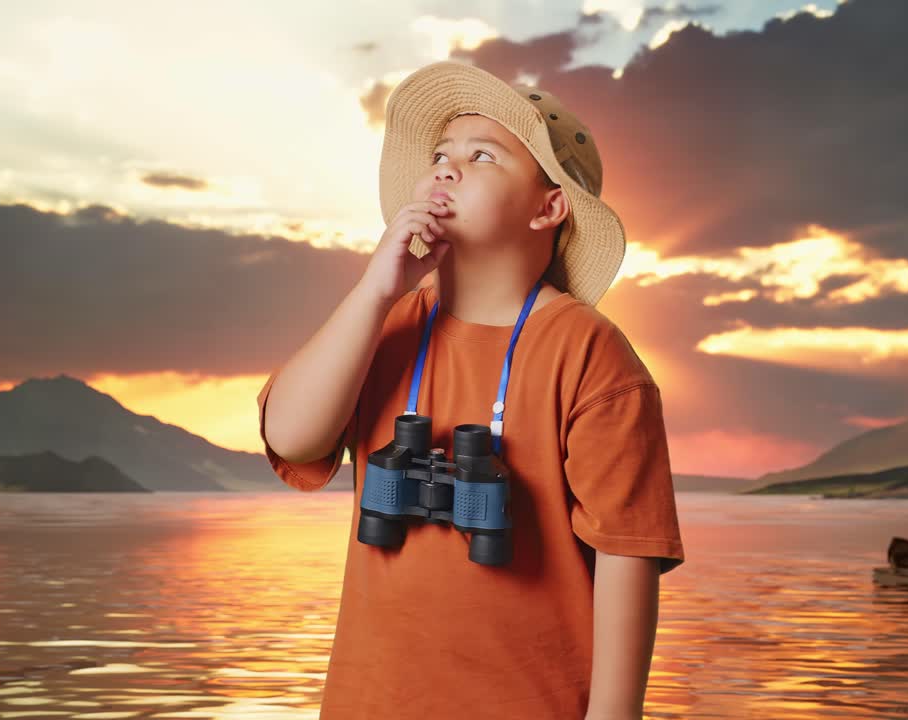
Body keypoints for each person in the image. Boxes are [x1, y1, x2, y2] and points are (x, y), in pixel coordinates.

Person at [256, 59, 685, 719]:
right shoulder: (385, 324)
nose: (446, 169)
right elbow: (291, 437)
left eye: (482, 155)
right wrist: (376, 289)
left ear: (549, 207)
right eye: (440, 154)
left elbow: (626, 558)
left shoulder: (588, 353)